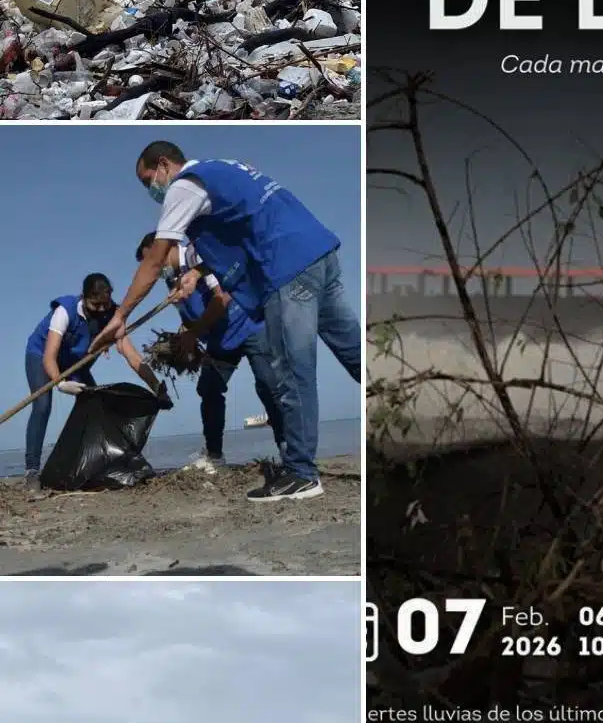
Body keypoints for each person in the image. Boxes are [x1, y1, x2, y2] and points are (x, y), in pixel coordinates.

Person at [94, 141, 362, 503]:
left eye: (148, 180)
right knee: (355, 352)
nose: (151, 190)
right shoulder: (225, 167)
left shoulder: (185, 185)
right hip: (317, 253)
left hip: (285, 267)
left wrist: (121, 315)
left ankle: (301, 473)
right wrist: (199, 271)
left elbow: (155, 260)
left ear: (163, 165)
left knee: (291, 373)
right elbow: (248, 221)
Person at [136, 233, 287, 470]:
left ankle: (289, 451)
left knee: (268, 386)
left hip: (248, 327)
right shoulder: (172, 281)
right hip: (220, 340)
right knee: (208, 388)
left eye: (155, 259)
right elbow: (190, 316)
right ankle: (215, 455)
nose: (156, 267)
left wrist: (194, 333)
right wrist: (187, 337)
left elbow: (222, 299)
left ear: (168, 247)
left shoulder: (198, 255)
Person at [24, 273, 165, 495]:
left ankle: (97, 463)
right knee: (42, 406)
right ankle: (32, 471)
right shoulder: (65, 311)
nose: (100, 310)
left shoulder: (114, 316)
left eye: (104, 304)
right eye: (95, 304)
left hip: (75, 363)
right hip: (41, 357)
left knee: (96, 404)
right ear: (84, 297)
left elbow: (131, 355)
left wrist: (156, 386)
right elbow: (49, 356)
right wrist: (60, 384)